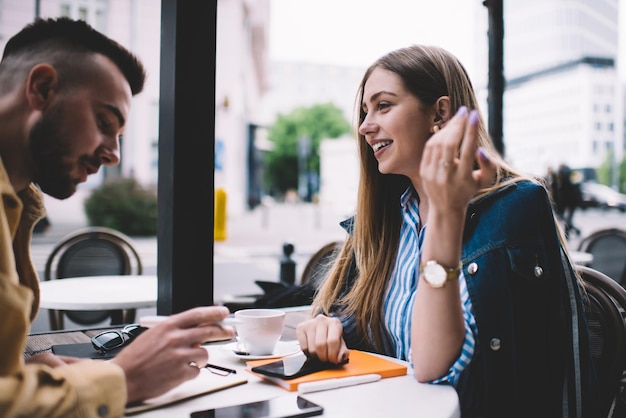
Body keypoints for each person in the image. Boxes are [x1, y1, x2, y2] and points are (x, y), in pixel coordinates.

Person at [296, 45, 599, 417]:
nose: (364, 126)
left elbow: (430, 365)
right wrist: (330, 328)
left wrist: (444, 212)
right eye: (364, 111)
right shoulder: (385, 218)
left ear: (439, 112)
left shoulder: (516, 207)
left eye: (384, 105)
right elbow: (364, 322)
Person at [0, 17, 235, 417]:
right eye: (104, 123)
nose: (114, 155)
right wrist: (123, 379)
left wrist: (27, 375)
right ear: (41, 89)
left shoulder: (16, 203)